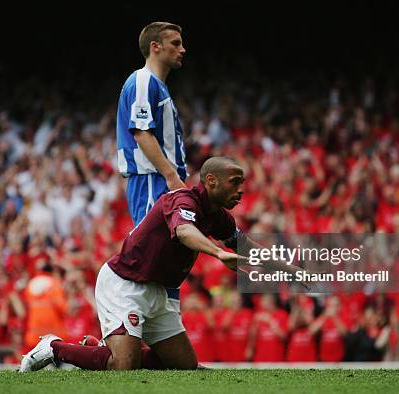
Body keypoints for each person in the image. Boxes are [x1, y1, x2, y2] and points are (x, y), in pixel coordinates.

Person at [19, 157, 249, 371]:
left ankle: (97, 348)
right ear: (211, 181)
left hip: (157, 291)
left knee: (185, 367)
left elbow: (246, 246)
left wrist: (284, 267)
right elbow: (183, 230)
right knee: (123, 364)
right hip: (125, 284)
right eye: (234, 183)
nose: (240, 190)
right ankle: (53, 348)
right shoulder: (182, 200)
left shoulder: (218, 216)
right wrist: (218, 253)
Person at [116, 21, 188, 226]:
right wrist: (171, 176)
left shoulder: (158, 86)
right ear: (155, 46)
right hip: (152, 179)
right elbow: (141, 132)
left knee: (164, 253)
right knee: (151, 252)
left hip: (161, 180)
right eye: (175, 43)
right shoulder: (143, 79)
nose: (182, 49)